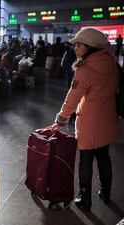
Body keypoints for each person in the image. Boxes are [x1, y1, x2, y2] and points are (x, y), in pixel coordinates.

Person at [51, 28, 121, 211]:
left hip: (90, 123)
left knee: (86, 160)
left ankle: (85, 197)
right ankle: (106, 193)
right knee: (104, 157)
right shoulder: (111, 63)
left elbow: (72, 99)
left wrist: (61, 120)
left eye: (79, 45)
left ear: (90, 47)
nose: (75, 48)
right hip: (108, 118)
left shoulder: (85, 70)